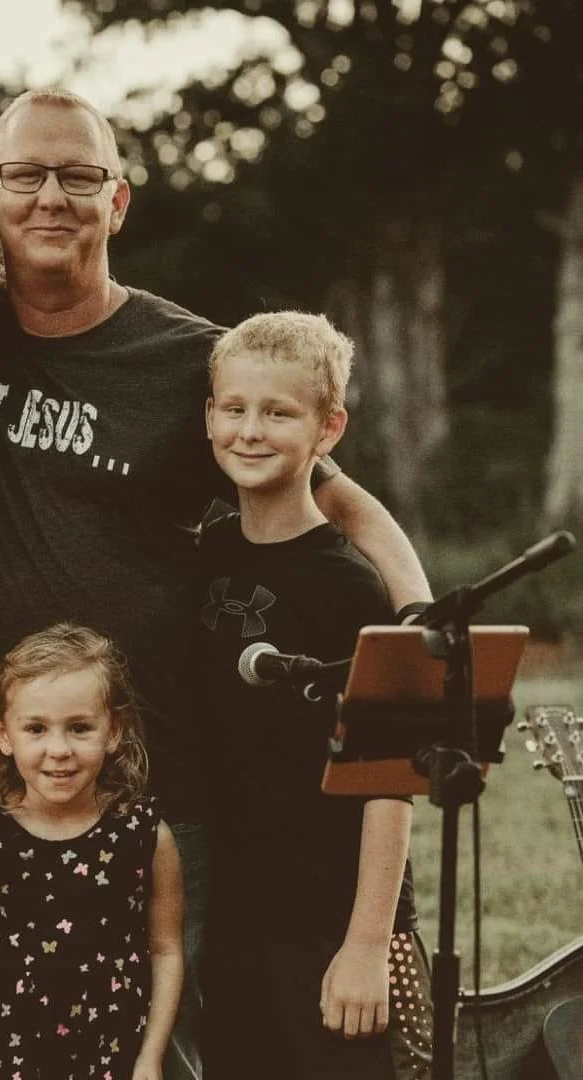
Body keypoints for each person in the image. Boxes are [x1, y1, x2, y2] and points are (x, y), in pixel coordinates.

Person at [0, 88, 432, 1079]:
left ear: (118, 202)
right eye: (26, 175)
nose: (53, 196)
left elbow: (338, 496)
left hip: (154, 780)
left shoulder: (191, 360)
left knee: (151, 1050)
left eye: (80, 176)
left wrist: (419, 625)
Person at [198, 311, 432, 1079]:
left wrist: (366, 944)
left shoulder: (350, 587)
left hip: (334, 918)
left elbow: (391, 780)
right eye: (234, 409)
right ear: (208, 417)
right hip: (233, 916)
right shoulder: (199, 555)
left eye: (279, 413)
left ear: (329, 429)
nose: (251, 431)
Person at [0, 623, 185, 1080]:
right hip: (8, 1061)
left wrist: (150, 1058)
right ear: (3, 735)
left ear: (114, 730)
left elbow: (166, 951)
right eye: (36, 729)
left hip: (111, 1055)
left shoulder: (143, 835)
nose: (58, 749)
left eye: (80, 728)